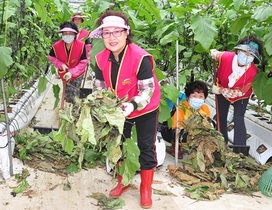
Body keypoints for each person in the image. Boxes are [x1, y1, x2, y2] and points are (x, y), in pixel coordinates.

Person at [89, 10, 160, 209]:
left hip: (145, 106)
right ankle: (123, 181)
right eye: (106, 33)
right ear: (101, 36)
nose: (112, 38)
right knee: (119, 144)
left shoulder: (140, 57)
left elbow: (148, 89)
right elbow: (99, 86)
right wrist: (99, 103)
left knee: (146, 146)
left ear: (126, 33)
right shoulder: (101, 58)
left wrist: (133, 104)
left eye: (116, 32)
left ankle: (146, 189)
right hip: (119, 108)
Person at [210, 35, 263, 150]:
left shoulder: (253, 72)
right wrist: (213, 53)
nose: (247, 57)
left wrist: (220, 90)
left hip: (241, 95)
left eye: (251, 55)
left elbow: (241, 91)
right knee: (221, 117)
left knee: (239, 117)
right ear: (238, 51)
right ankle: (221, 144)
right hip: (222, 88)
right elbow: (216, 54)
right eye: (245, 53)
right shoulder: (226, 57)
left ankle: (240, 149)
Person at [48, 21, 88, 105]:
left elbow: (83, 62)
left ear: (74, 34)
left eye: (70, 33)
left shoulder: (81, 45)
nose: (68, 35)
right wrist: (60, 64)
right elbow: (51, 57)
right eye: (65, 33)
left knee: (75, 93)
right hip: (64, 73)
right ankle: (68, 103)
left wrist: (72, 72)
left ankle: (75, 108)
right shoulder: (56, 46)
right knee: (67, 91)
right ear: (62, 34)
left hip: (77, 73)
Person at [171, 81, 211, 159]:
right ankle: (175, 146)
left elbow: (208, 124)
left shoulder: (205, 108)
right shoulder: (182, 107)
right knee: (177, 132)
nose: (197, 99)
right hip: (184, 132)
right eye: (194, 95)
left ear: (204, 98)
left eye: (200, 96)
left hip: (198, 133)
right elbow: (177, 125)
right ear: (188, 96)